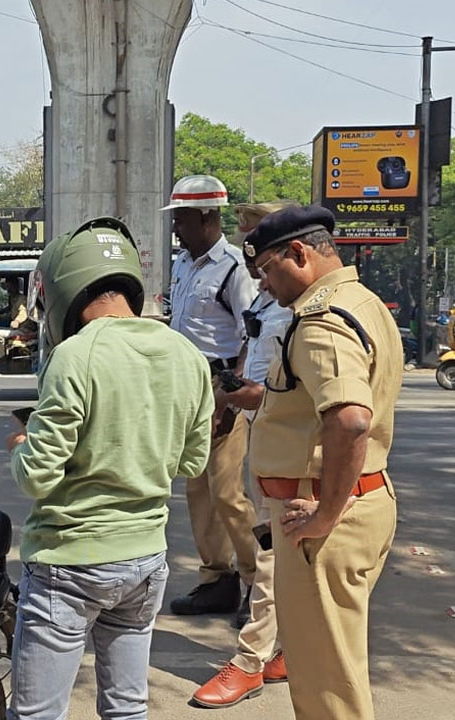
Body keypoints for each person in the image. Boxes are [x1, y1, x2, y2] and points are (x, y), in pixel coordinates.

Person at [6, 217, 212, 720]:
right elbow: (193, 461)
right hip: (145, 559)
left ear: (64, 289)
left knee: (36, 714)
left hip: (70, 560)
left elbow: (36, 475)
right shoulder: (187, 354)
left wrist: (21, 445)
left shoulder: (74, 355)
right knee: (126, 707)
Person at [243, 205, 401, 720]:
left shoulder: (322, 321)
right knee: (332, 669)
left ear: (298, 253)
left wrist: (325, 515)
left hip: (324, 518)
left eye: (267, 269)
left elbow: (350, 420)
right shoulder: (364, 302)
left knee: (327, 686)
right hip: (356, 501)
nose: (264, 285)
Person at [190, 201, 295, 708]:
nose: (252, 260)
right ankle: (284, 646)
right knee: (275, 542)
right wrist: (233, 397)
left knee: (268, 545)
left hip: (289, 439)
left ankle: (251, 660)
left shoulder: (306, 308)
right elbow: (251, 350)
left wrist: (256, 398)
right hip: (260, 424)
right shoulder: (272, 300)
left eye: (258, 246)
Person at [163, 174, 261, 619]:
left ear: (207, 218)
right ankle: (216, 579)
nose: (175, 228)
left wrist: (232, 395)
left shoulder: (235, 269)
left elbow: (251, 336)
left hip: (223, 385)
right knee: (198, 489)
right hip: (189, 386)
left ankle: (257, 582)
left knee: (227, 492)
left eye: (181, 219)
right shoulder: (183, 264)